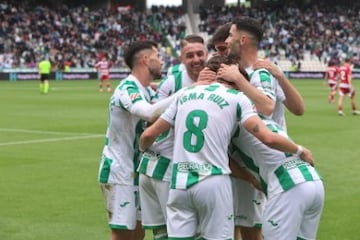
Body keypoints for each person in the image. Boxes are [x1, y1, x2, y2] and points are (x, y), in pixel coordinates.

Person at [139, 56, 314, 239]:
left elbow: (148, 135)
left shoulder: (184, 95)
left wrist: (143, 150)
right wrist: (300, 150)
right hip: (213, 181)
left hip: (179, 183)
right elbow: (267, 136)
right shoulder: (237, 98)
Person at [218, 17, 305, 240]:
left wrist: (280, 75)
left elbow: (275, 107)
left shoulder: (260, 72)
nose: (227, 41)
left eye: (230, 35)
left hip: (265, 161)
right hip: (245, 161)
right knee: (241, 225)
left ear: (243, 39)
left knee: (255, 229)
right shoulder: (239, 72)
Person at [97, 40, 179, 240]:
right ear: (145, 60)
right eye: (158, 57)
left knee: (138, 233)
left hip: (137, 171)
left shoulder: (146, 90)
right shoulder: (128, 88)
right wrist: (188, 91)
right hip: (120, 171)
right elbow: (149, 112)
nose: (161, 61)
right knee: (123, 233)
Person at [137, 34, 208, 240]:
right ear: (181, 59)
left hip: (182, 167)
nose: (196, 59)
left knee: (169, 231)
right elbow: (151, 121)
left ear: (207, 54)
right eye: (190, 55)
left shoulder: (217, 78)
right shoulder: (172, 81)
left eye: (200, 54)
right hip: (167, 167)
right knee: (179, 231)